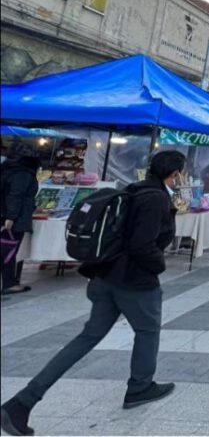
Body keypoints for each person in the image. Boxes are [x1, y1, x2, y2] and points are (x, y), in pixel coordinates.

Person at [0, 150, 186, 436]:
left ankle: (22, 401)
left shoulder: (133, 189)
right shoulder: (156, 198)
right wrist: (157, 266)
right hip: (133, 281)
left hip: (104, 275)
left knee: (86, 338)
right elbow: (142, 244)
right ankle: (140, 386)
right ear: (174, 174)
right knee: (148, 331)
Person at [1, 142, 40, 296]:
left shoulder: (7, 169)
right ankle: (9, 283)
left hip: (5, 213)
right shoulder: (22, 173)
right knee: (8, 250)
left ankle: (9, 281)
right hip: (14, 217)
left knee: (5, 248)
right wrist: (11, 217)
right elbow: (16, 195)